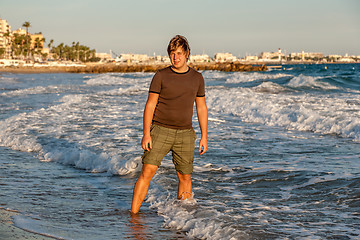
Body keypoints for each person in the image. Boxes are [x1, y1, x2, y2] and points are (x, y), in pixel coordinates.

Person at [130, 35, 208, 214]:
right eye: (172, 53)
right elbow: (150, 105)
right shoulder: (161, 76)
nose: (176, 57)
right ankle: (133, 217)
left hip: (185, 134)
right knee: (147, 172)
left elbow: (201, 107)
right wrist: (146, 133)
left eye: (179, 53)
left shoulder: (197, 78)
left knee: (185, 176)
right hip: (160, 131)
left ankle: (182, 220)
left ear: (187, 54)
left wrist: (204, 136)